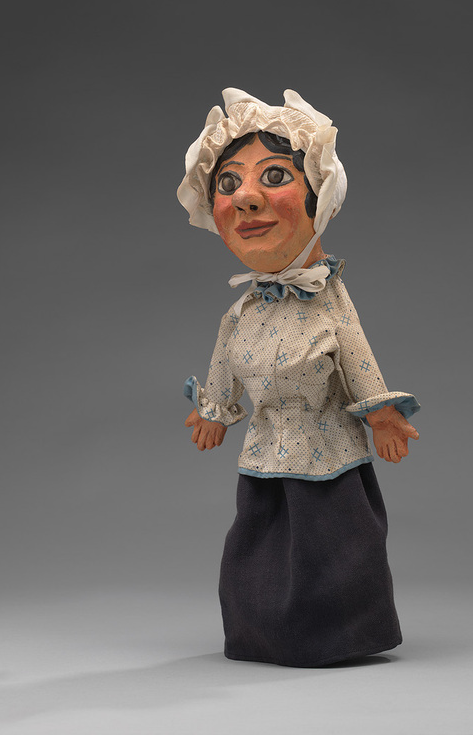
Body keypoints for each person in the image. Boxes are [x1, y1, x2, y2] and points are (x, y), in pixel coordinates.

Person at [177, 88, 420, 667]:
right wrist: (213, 412)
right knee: (256, 541)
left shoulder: (330, 302)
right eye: (228, 183)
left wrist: (382, 415)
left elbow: (358, 359)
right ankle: (260, 632)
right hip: (265, 449)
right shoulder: (241, 312)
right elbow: (225, 361)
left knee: (336, 547)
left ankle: (340, 634)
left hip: (327, 449)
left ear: (320, 198)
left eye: (275, 176)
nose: (245, 199)